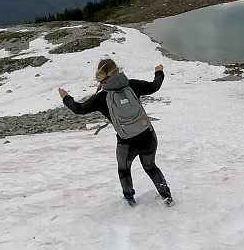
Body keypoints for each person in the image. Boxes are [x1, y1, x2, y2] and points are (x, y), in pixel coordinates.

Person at [58, 58, 173, 207]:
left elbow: (78, 109)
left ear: (100, 75)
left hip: (126, 142)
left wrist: (65, 97)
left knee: (124, 169)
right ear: (117, 70)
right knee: (150, 166)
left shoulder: (101, 97)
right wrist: (159, 72)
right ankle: (166, 195)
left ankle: (130, 198)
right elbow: (154, 86)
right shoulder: (132, 85)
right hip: (147, 135)